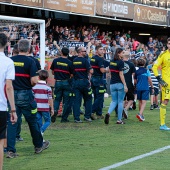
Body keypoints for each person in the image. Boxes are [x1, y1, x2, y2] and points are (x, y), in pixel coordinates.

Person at [7, 39, 50, 158]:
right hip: (26, 95)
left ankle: (10, 150)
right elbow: (34, 80)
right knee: (32, 121)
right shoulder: (30, 61)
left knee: (12, 122)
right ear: (29, 49)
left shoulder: (10, 60)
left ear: (18, 48)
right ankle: (38, 146)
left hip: (11, 95)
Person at [0, 33, 17, 170]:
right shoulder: (8, 62)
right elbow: (9, 86)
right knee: (0, 143)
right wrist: (13, 109)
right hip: (1, 106)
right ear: (6, 44)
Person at [104, 48, 128, 125]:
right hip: (119, 84)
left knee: (114, 101)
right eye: (122, 52)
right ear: (118, 53)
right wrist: (125, 84)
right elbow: (121, 74)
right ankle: (119, 119)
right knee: (120, 102)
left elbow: (110, 72)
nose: (123, 54)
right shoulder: (121, 62)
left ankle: (108, 113)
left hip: (112, 84)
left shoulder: (111, 61)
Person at [50, 47, 73, 123]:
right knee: (66, 101)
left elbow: (53, 72)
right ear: (68, 53)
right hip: (66, 82)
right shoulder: (69, 62)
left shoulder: (55, 61)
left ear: (61, 53)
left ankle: (55, 112)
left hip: (58, 82)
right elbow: (72, 74)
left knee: (57, 99)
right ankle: (64, 118)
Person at [152, 37, 170, 130]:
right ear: (167, 44)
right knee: (165, 102)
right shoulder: (163, 55)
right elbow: (154, 67)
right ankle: (162, 124)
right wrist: (159, 78)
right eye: (169, 44)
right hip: (167, 83)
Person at [72, 47, 93, 122]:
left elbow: (72, 72)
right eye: (84, 51)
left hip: (76, 82)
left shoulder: (74, 61)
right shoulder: (85, 61)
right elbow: (91, 71)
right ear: (80, 52)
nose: (85, 52)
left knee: (77, 101)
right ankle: (87, 116)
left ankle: (76, 118)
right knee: (88, 99)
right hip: (84, 82)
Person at [33, 70, 54, 138]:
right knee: (48, 121)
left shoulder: (34, 87)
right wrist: (52, 108)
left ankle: (39, 134)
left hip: (36, 107)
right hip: (45, 107)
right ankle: (41, 131)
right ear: (47, 78)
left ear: (38, 77)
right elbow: (50, 98)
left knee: (39, 121)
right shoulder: (48, 88)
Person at [90, 45, 109, 120]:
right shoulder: (99, 59)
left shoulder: (93, 58)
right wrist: (108, 70)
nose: (102, 51)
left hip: (93, 78)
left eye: (103, 49)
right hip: (99, 79)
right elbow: (102, 70)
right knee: (100, 97)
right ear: (97, 50)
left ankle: (99, 113)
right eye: (101, 49)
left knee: (96, 96)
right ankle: (91, 111)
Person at [122, 51, 136, 118]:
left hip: (121, 83)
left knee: (122, 99)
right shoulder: (131, 64)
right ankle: (125, 109)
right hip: (129, 83)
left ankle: (120, 111)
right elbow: (133, 75)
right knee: (131, 99)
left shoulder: (120, 63)